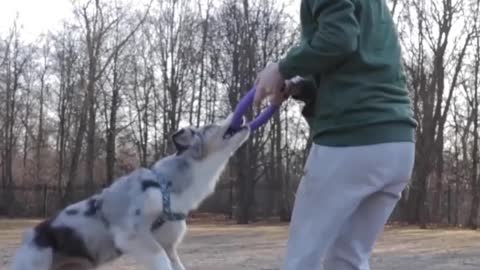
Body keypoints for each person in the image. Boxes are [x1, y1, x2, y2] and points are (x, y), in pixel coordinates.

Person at [253, 0, 417, 269]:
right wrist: (300, 87)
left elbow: (339, 38)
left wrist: (282, 67)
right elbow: (355, 59)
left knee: (301, 260)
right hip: (396, 143)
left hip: (351, 140)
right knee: (348, 260)